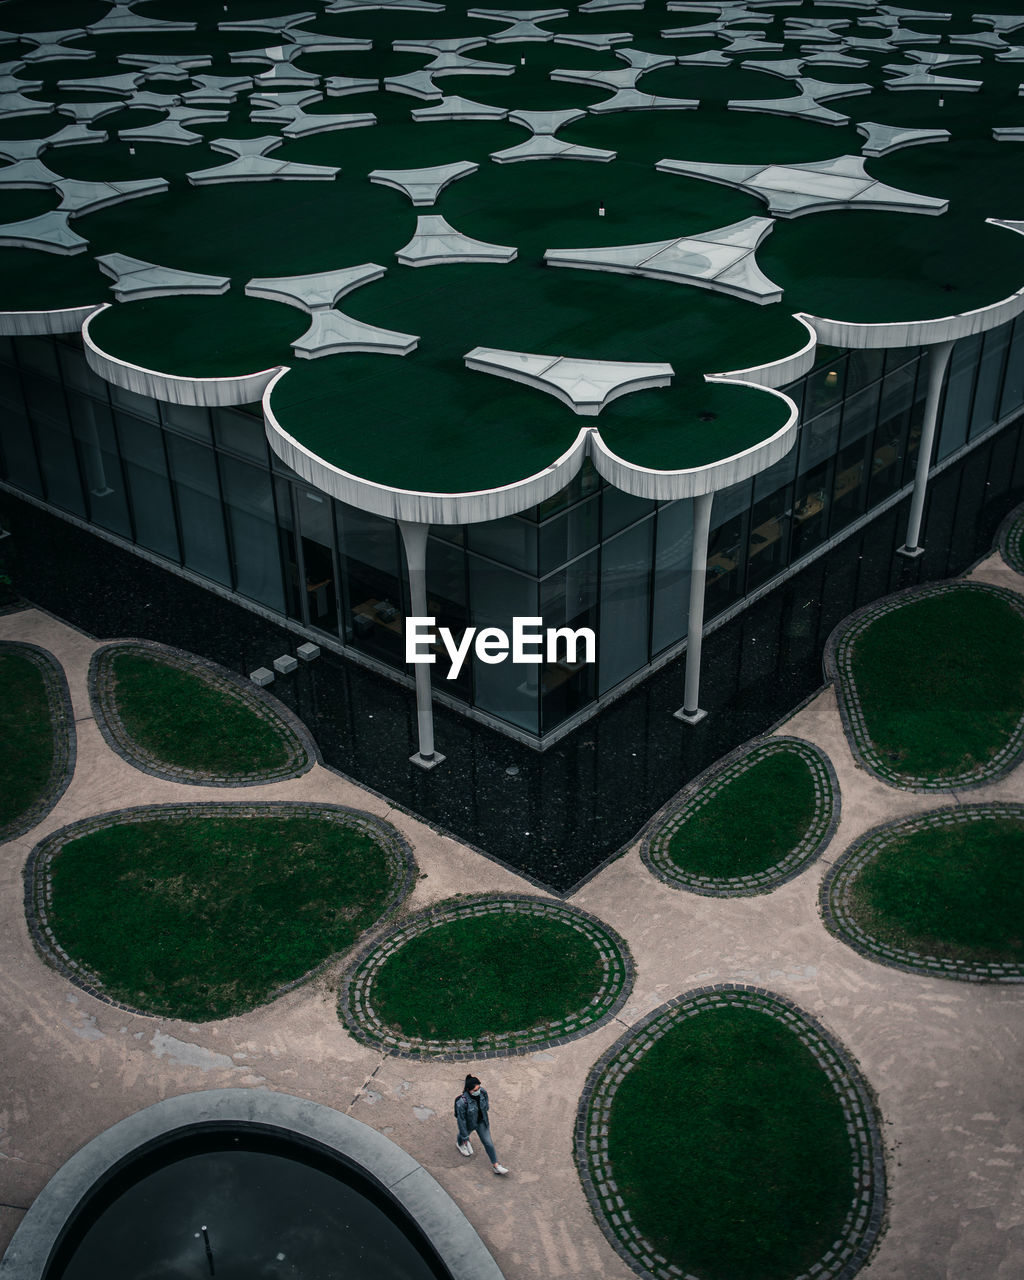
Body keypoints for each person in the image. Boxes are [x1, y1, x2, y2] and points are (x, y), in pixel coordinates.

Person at [455, 1075, 509, 1175]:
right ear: (469, 1090)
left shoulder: (482, 1092)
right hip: (469, 1123)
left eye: (479, 1088)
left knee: (488, 1143)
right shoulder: (462, 1103)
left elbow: (486, 1103)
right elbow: (461, 1121)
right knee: (463, 1134)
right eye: (476, 1089)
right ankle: (460, 1144)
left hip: (481, 1122)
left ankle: (496, 1165)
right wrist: (465, 1137)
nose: (478, 1090)